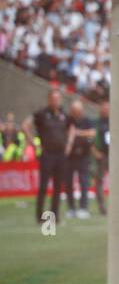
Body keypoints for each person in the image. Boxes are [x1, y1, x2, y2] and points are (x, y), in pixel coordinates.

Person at [28, 85, 70, 227]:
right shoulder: (41, 114)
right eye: (53, 99)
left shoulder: (64, 115)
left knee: (58, 187)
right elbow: (25, 125)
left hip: (60, 155)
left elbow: (72, 128)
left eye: (58, 99)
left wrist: (69, 144)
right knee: (44, 186)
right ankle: (40, 217)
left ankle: (54, 216)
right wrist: (34, 144)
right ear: (48, 100)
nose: (55, 101)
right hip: (47, 154)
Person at [65, 98, 96, 219]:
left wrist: (77, 133)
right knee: (68, 183)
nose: (75, 112)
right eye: (73, 110)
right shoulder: (68, 120)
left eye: (77, 110)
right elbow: (65, 132)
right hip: (70, 157)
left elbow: (92, 132)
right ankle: (71, 208)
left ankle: (83, 207)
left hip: (84, 156)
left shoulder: (87, 120)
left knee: (84, 182)